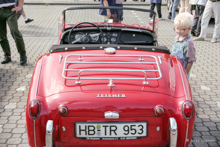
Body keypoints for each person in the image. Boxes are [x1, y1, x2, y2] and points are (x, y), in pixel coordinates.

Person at [0, 0, 27, 65]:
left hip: (11, 10)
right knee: (1, 35)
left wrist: (20, 7)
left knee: (15, 32)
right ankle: (7, 56)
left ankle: (23, 55)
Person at [172, 12, 196, 78]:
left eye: (183, 29)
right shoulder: (177, 38)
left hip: (182, 72)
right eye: (177, 28)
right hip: (174, 69)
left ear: (189, 28)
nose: (179, 31)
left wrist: (185, 74)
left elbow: (190, 61)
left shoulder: (188, 44)